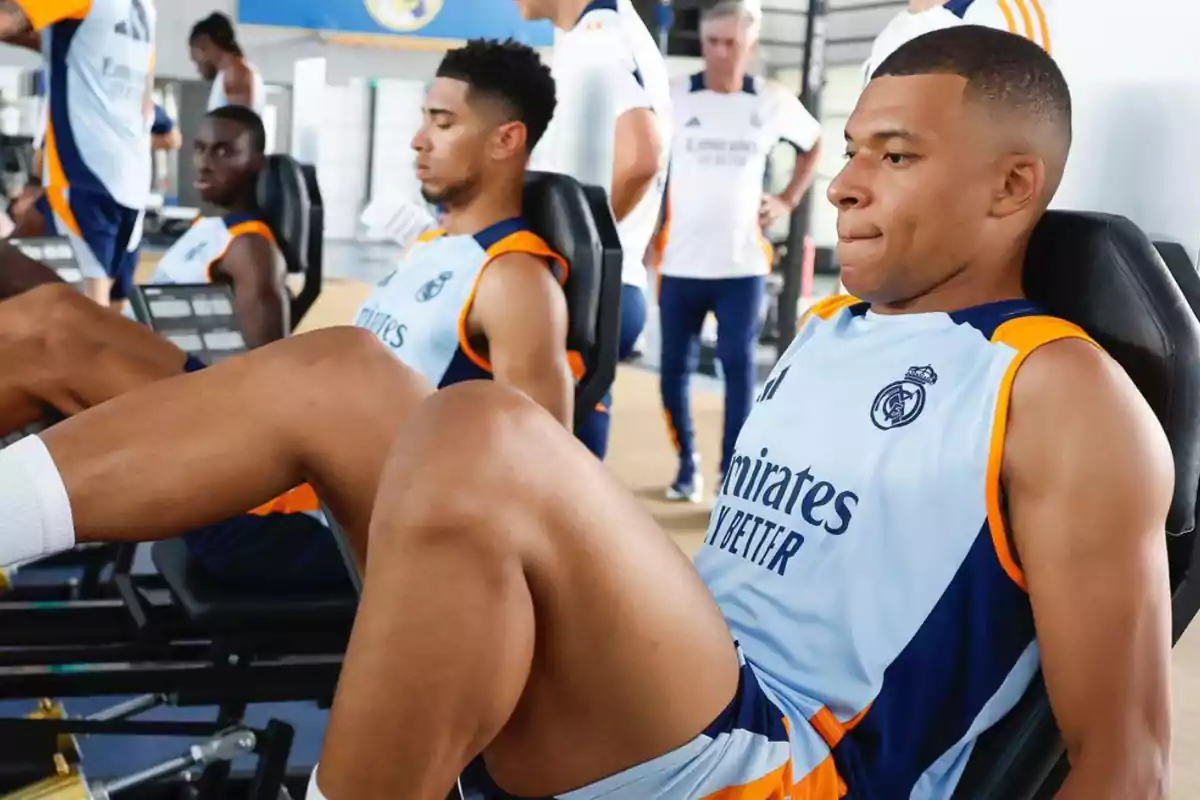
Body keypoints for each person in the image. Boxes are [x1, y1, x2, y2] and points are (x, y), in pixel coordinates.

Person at [0, 26, 1173, 799]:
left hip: (777, 764)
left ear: (1013, 186)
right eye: (853, 148)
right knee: (343, 372)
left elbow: (1127, 755)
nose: (849, 180)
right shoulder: (829, 332)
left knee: (487, 430)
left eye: (896, 155)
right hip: (670, 696)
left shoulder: (1061, 391)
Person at [0, 38, 581, 588]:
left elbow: (543, 476)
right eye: (426, 118)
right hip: (288, 444)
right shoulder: (434, 249)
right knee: (55, 316)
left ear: (507, 140)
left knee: (55, 348)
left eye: (444, 123)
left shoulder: (516, 281)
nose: (418, 140)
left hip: (311, 510)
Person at [654, 0, 822, 502]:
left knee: (738, 368)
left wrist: (787, 200)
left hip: (742, 265)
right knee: (671, 375)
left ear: (749, 45)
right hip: (679, 262)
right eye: (712, 42)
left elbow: (814, 143)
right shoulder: (676, 96)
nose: (721, 53)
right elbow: (648, 160)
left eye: (732, 43)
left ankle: (733, 474)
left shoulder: (769, 100)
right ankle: (688, 465)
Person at [518, 0, 672, 459]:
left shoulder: (599, 39)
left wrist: (581, 255)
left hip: (586, 291)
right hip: (599, 288)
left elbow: (642, 157)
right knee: (565, 472)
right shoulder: (600, 33)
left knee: (556, 475)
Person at [0, 0, 156, 307]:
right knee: (112, 319)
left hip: (85, 176)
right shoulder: (144, 8)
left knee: (86, 321)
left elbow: (5, 19)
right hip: (132, 183)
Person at [189, 12, 267, 116]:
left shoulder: (234, 74)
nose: (198, 69)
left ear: (207, 45)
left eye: (197, 59)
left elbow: (239, 127)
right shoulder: (232, 72)